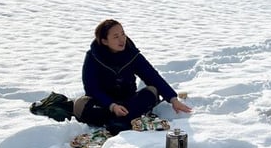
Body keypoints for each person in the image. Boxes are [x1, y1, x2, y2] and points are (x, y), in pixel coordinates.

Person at [31, 20, 192, 134]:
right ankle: (122, 119)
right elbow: (91, 88)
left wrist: (173, 99)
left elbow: (152, 76)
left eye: (123, 34)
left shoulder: (132, 54)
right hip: (103, 103)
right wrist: (111, 105)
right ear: (104, 41)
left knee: (152, 91)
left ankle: (120, 121)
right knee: (80, 105)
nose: (122, 39)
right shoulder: (93, 57)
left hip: (129, 100)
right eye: (115, 36)